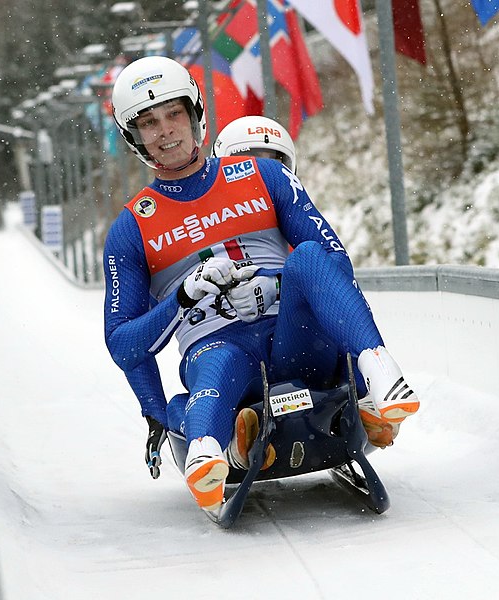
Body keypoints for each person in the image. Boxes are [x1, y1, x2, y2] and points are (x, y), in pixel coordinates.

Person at [103, 56, 420, 514]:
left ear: (195, 114)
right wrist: (183, 298)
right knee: (219, 358)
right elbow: (123, 345)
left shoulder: (264, 175)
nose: (166, 131)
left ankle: (379, 373)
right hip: (219, 349)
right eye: (149, 123)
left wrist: (273, 285)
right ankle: (210, 450)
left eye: (174, 114)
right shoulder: (131, 227)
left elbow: (332, 260)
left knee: (309, 257)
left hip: (293, 340)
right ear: (134, 138)